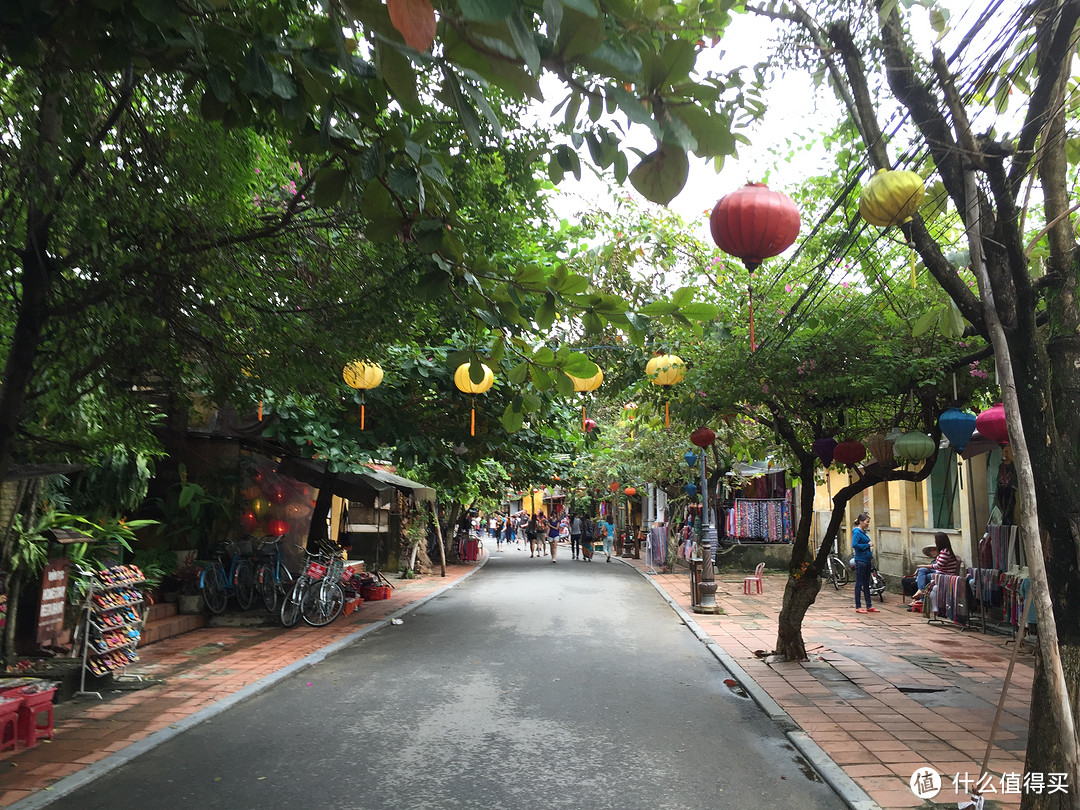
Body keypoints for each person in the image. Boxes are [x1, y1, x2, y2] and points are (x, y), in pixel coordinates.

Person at [912, 532, 960, 599]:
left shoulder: (945, 552)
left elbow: (938, 566)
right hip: (940, 572)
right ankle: (920, 592)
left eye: (935, 540)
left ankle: (922, 597)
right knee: (921, 570)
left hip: (944, 575)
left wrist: (924, 565)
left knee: (924, 577)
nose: (934, 541)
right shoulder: (944, 551)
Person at [852, 512, 878, 614]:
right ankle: (858, 606)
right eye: (867, 522)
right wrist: (867, 545)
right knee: (859, 583)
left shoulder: (863, 532)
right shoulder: (857, 532)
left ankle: (869, 605)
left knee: (867, 583)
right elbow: (855, 544)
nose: (868, 524)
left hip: (867, 561)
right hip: (860, 560)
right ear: (861, 522)